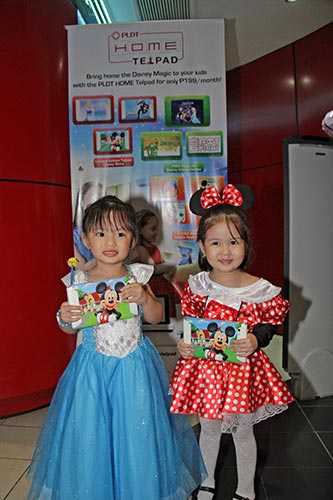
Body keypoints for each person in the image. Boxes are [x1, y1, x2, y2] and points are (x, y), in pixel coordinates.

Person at [28, 195, 206, 500]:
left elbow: (155, 316)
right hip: (91, 373)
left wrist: (145, 299)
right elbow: (69, 325)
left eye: (120, 233)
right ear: (85, 239)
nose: (110, 240)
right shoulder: (79, 279)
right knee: (91, 434)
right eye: (100, 233)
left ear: (133, 239)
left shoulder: (137, 275)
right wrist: (65, 316)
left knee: (138, 434)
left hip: (134, 371)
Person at [169, 184, 294, 500]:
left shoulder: (259, 289)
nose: (225, 251)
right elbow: (192, 326)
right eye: (215, 243)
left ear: (246, 244)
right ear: (202, 247)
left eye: (233, 242)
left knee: (242, 430)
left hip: (242, 373)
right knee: (209, 428)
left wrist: (255, 338)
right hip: (208, 372)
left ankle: (246, 489)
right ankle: (207, 481)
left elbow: (269, 324)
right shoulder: (198, 285)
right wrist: (184, 344)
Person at [134, 208, 182, 317]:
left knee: (167, 314)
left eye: (157, 229)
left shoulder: (154, 248)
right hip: (152, 288)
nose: (156, 233)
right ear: (140, 230)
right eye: (153, 229)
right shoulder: (141, 249)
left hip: (162, 285)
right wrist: (170, 266)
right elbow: (152, 268)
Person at [73, 181, 105, 267]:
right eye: (92, 202)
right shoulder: (73, 235)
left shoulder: (110, 232)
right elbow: (80, 268)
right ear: (82, 201)